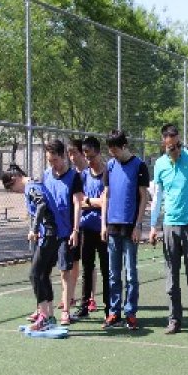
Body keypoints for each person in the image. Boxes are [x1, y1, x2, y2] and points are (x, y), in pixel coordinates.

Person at [149, 123, 188, 336]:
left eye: (177, 145)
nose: (175, 150)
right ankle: (174, 319)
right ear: (164, 145)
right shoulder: (160, 165)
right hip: (169, 225)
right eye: (170, 147)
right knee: (171, 275)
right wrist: (153, 226)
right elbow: (157, 197)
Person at [101, 130, 149, 330]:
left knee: (131, 274)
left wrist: (138, 225)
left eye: (115, 150)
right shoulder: (110, 166)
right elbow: (106, 195)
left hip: (130, 228)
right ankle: (114, 313)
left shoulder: (139, 166)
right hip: (112, 227)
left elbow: (144, 197)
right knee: (113, 274)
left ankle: (130, 313)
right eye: (110, 150)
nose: (112, 154)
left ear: (124, 146)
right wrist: (103, 224)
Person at [1, 164, 59, 330]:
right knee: (43, 275)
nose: (14, 192)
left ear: (15, 179)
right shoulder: (36, 183)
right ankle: (49, 316)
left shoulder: (31, 187)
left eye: (11, 188)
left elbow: (41, 205)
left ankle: (43, 316)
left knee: (34, 274)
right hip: (52, 233)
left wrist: (34, 229)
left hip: (48, 234)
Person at [43, 139, 84, 325]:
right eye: (49, 161)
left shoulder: (74, 177)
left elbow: (77, 204)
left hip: (65, 232)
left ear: (63, 157)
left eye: (55, 160)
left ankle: (66, 310)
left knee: (64, 271)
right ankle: (43, 310)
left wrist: (75, 230)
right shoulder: (46, 175)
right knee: (42, 271)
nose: (53, 164)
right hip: (48, 232)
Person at [74, 136, 109, 319]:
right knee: (87, 269)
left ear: (99, 153)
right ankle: (84, 306)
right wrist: (93, 202)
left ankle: (109, 308)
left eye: (91, 156)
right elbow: (79, 201)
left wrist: (91, 202)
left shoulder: (108, 174)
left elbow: (107, 202)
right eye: (86, 157)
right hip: (86, 228)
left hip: (104, 230)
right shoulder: (83, 176)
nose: (89, 160)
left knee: (107, 269)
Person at [64, 139, 88, 310]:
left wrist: (86, 202)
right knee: (71, 262)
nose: (72, 157)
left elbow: (84, 199)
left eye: (74, 153)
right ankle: (70, 296)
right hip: (74, 223)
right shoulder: (71, 175)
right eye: (69, 153)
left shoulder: (89, 172)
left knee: (88, 263)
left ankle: (90, 297)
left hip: (89, 223)